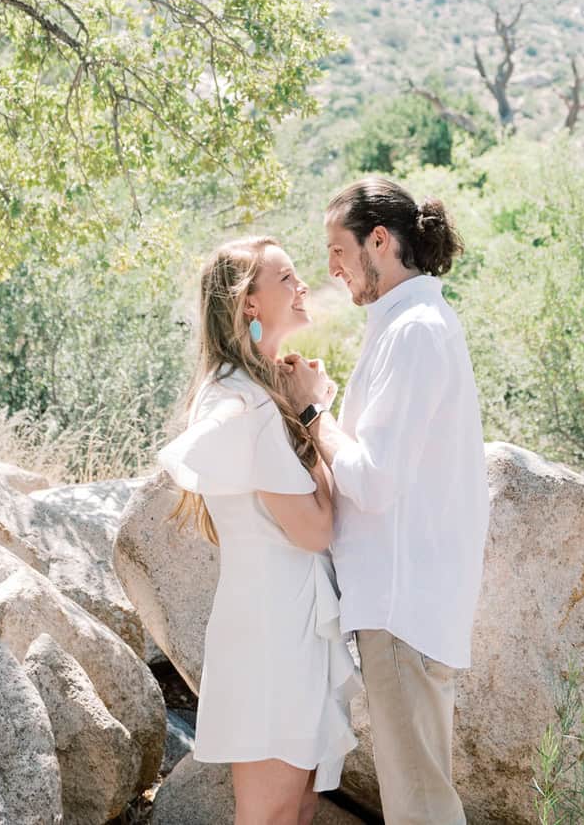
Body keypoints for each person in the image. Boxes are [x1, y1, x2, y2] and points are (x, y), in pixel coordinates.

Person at [281, 177, 488, 825]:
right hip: (404, 607)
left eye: (338, 249)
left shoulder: (416, 331)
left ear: (379, 240)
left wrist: (314, 410)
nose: (331, 268)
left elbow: (372, 480)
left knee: (421, 810)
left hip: (403, 610)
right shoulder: (406, 324)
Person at [158, 236, 359, 825]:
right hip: (272, 626)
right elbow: (316, 529)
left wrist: (300, 407)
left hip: (291, 617)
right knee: (271, 814)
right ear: (249, 303)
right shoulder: (242, 401)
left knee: (299, 805)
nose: (303, 287)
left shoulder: (260, 391)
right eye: (288, 278)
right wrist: (309, 413)